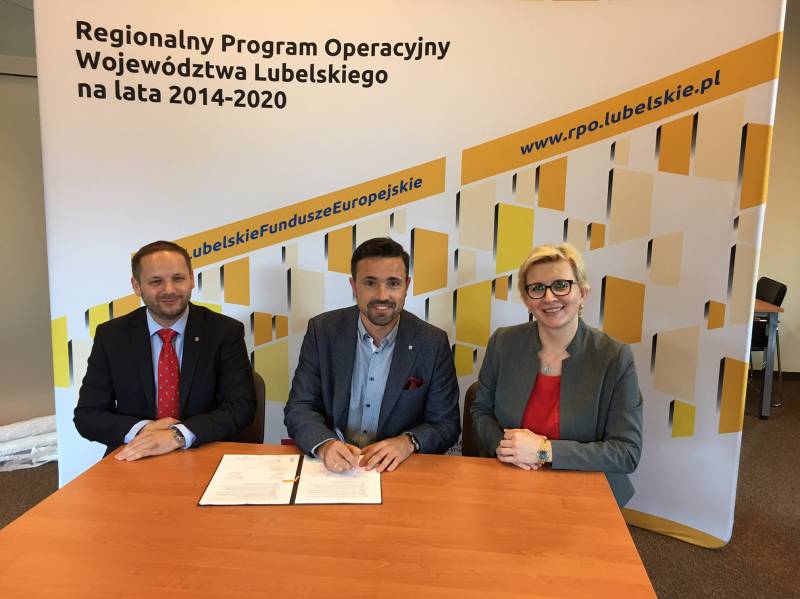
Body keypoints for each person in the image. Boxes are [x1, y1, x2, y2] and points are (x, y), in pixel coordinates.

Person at [470, 243, 642, 506]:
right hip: (510, 479)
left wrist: (543, 452)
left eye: (561, 285)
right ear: (527, 299)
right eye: (537, 288)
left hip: (585, 491)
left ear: (583, 293)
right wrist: (508, 449)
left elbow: (626, 452)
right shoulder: (503, 343)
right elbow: (481, 410)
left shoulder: (614, 357)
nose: (549, 298)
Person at [284, 237, 460, 474]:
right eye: (370, 283)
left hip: (397, 470)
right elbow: (300, 407)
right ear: (353, 285)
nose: (382, 295)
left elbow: (446, 424)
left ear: (407, 285)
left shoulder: (432, 342)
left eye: (393, 283)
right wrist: (325, 445)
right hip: (333, 470)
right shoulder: (322, 331)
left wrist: (407, 442)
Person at [74, 240, 256, 461]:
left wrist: (177, 435)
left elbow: (241, 407)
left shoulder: (224, 332)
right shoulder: (112, 336)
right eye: (156, 281)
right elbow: (87, 415)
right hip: (136, 455)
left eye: (178, 278)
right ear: (136, 286)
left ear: (191, 279)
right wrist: (144, 430)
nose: (169, 290)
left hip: (205, 451)